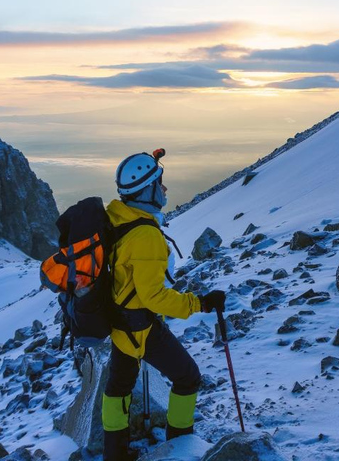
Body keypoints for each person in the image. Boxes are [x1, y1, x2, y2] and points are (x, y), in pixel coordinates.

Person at [102, 150, 226, 460]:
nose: (165, 190)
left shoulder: (117, 216)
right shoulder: (145, 235)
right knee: (187, 377)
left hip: (118, 321)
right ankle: (180, 443)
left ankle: (113, 453)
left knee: (118, 387)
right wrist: (200, 303)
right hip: (140, 327)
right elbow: (153, 297)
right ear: (147, 191)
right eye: (160, 184)